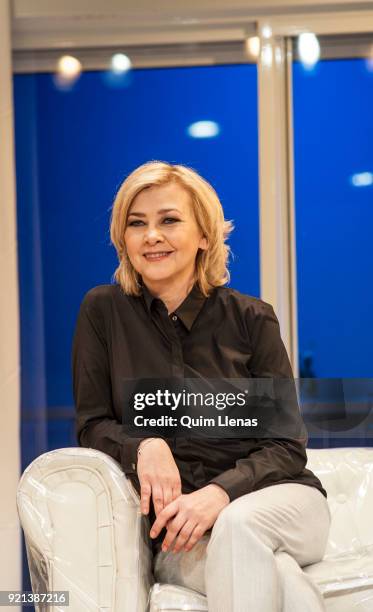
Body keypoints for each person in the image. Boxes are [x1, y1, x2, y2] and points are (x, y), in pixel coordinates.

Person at [72, 161, 331, 611]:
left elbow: (287, 445)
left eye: (169, 220)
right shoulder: (103, 312)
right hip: (183, 534)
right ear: (123, 239)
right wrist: (143, 444)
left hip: (282, 504)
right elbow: (92, 423)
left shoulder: (251, 318)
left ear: (205, 235)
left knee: (239, 525)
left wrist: (219, 494)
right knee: (282, 581)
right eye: (137, 224)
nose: (151, 235)